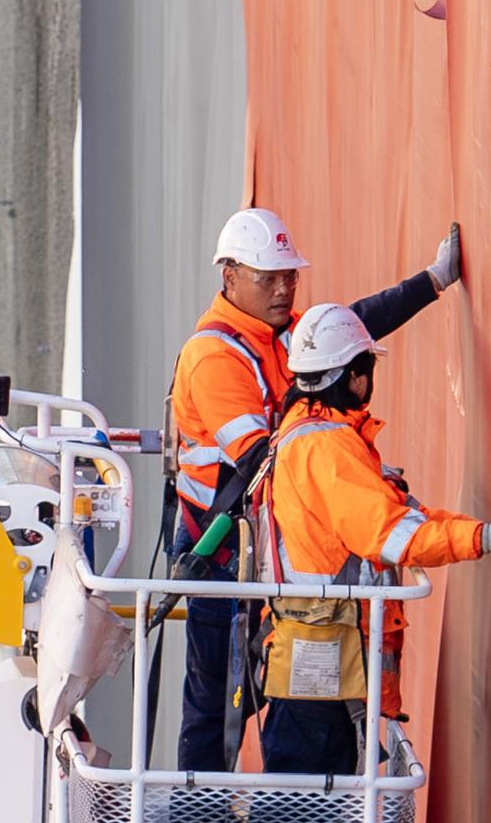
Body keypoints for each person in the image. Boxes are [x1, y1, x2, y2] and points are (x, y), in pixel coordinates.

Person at [167, 206, 463, 769]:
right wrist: (354, 486)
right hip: (223, 555)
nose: (283, 289)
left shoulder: (276, 337)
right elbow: (263, 463)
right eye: (268, 277)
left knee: (278, 689)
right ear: (229, 277)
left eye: (290, 277)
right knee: (217, 701)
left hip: (267, 552)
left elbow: (348, 327)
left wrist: (431, 282)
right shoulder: (213, 360)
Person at [248, 302, 491, 775]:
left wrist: (480, 529)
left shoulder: (306, 436)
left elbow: (402, 514)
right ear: (354, 377)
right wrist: (483, 538)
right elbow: (392, 534)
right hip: (322, 664)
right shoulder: (327, 448)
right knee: (296, 821)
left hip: (317, 659)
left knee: (300, 815)